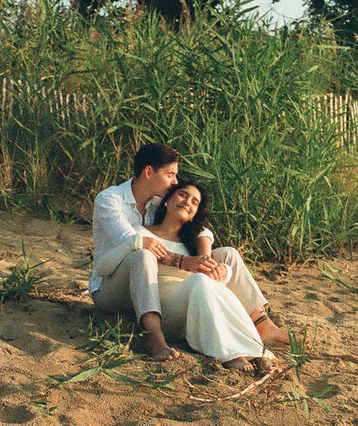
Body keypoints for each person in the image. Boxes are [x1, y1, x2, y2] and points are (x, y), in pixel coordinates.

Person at [89, 143, 288, 361]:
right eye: (170, 175)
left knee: (228, 254)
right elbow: (132, 242)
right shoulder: (110, 200)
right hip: (111, 283)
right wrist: (185, 262)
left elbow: (195, 225)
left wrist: (204, 258)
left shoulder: (157, 201)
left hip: (152, 283)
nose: (175, 182)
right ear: (148, 172)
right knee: (142, 254)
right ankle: (154, 337)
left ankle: (263, 324)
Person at [149, 180, 273, 372]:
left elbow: (215, 284)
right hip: (165, 311)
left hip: (196, 311)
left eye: (194, 202)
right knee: (198, 280)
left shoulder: (191, 243)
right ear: (167, 200)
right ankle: (230, 352)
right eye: (182, 195)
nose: (187, 202)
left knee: (208, 279)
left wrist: (224, 271)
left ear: (194, 214)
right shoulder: (145, 234)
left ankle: (254, 350)